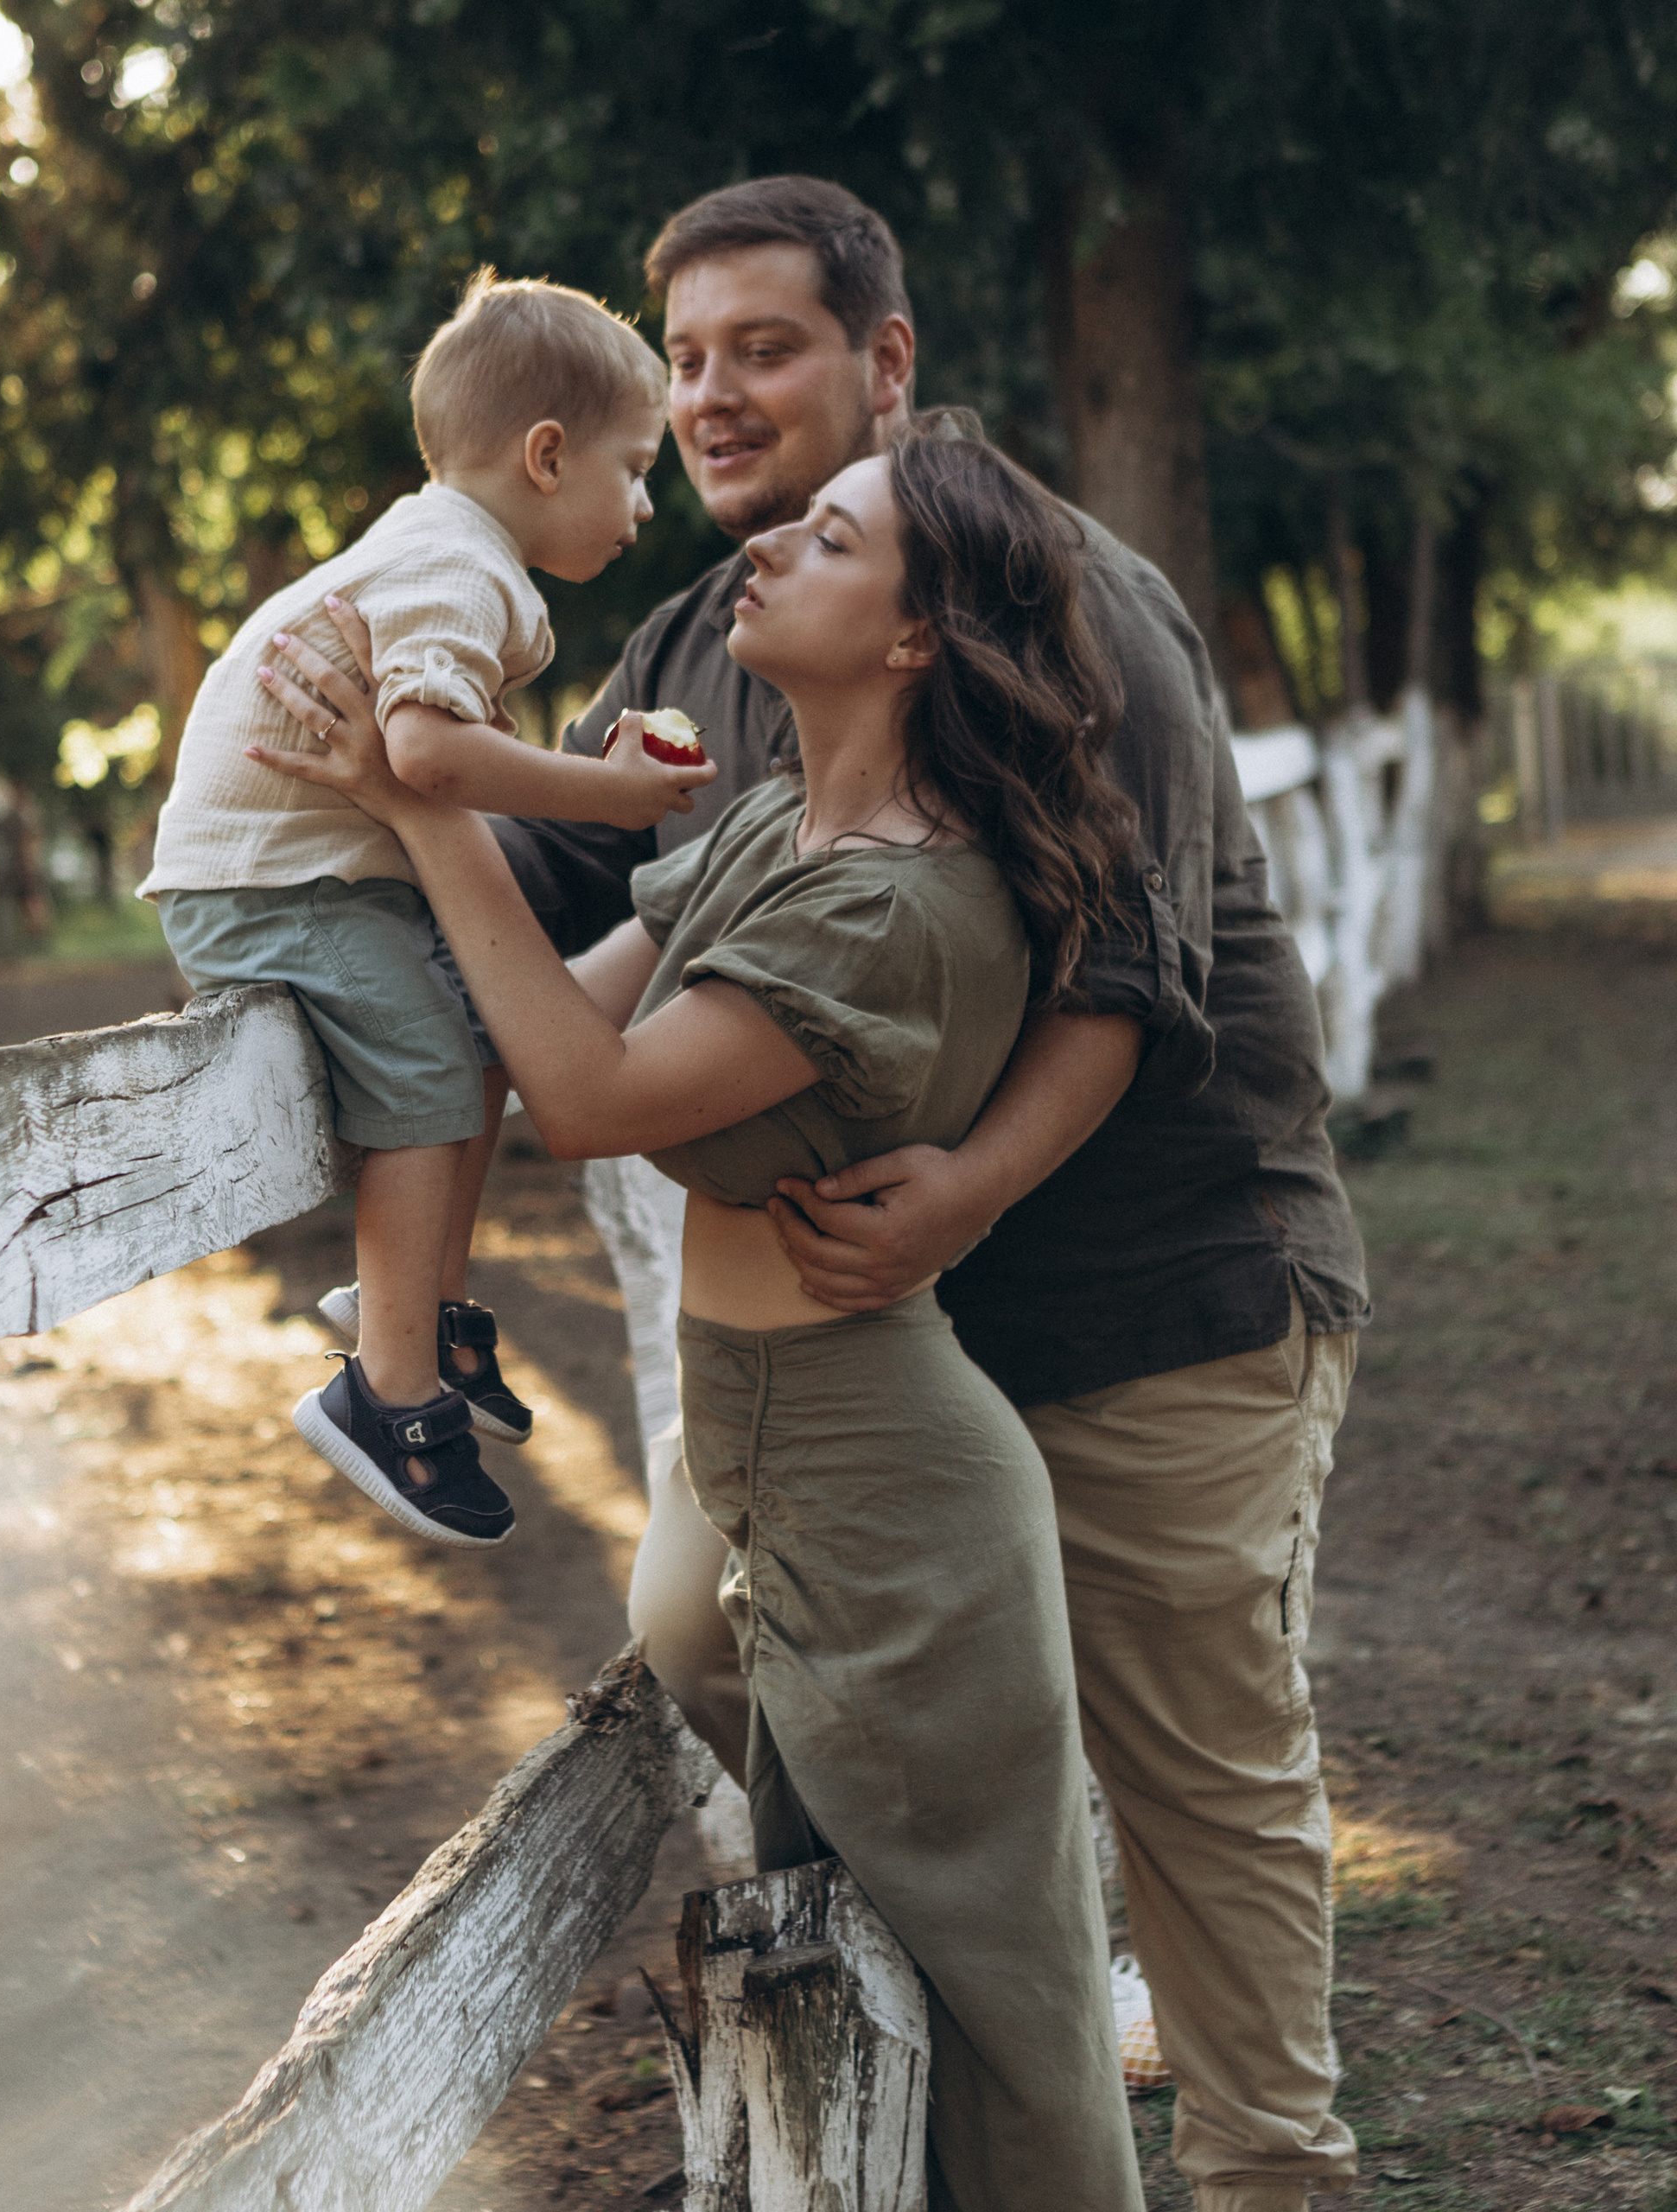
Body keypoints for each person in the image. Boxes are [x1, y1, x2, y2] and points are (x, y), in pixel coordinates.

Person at [489, 180, 1371, 2212]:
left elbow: (1129, 966)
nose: (709, 396)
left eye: (763, 348)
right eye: (682, 357)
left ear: (885, 364)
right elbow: (552, 908)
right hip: (871, 1342)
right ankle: (1004, 2008)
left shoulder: (1049, 589)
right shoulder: (699, 637)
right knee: (700, 1623)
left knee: (1197, 1779)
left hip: (1152, 1286)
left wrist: (964, 1188)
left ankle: (1262, 2171)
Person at [257, 416, 1147, 2212]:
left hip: (878, 1475)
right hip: (752, 1426)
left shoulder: (889, 899)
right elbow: (536, 1017)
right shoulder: (768, 822)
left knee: (1000, 2009)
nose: (762, 550)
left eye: (826, 541)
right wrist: (366, 852)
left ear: (913, 637)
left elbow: (586, 1092)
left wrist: (428, 795)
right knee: (846, 1956)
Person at [137, 270, 715, 1549]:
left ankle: (427, 1320)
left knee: (478, 1042)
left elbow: (444, 748)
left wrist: (579, 763)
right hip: (269, 888)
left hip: (314, 876)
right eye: (635, 468)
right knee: (429, 1076)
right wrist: (607, 793)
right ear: (548, 456)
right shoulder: (456, 565)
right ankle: (383, 1394)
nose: (645, 501)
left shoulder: (452, 555)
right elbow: (430, 758)